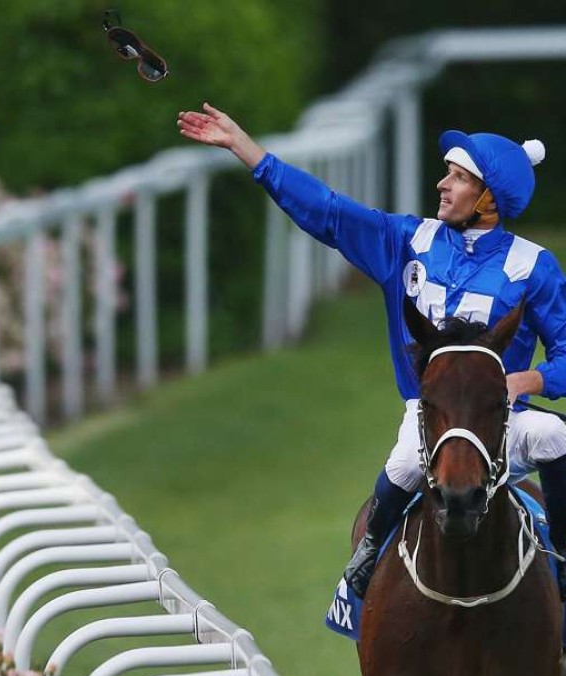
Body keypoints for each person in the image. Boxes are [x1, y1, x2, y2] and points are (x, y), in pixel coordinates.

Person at [178, 103, 566, 600]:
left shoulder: (534, 266)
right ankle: (363, 568)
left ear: (489, 197)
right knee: (404, 466)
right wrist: (248, 151)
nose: (442, 186)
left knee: (554, 432)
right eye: (445, 175)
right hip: (430, 420)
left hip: (502, 423)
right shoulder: (406, 241)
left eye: (457, 178)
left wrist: (528, 381)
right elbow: (329, 212)